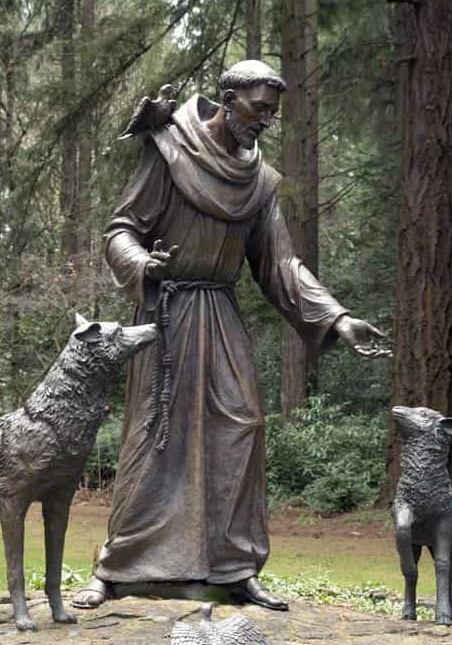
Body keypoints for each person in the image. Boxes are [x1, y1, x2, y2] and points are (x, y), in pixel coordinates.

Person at [72, 60, 389, 610]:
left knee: (243, 427)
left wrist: (336, 317)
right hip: (167, 316)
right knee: (154, 432)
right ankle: (116, 567)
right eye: (259, 106)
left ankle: (236, 567)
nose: (266, 119)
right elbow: (121, 228)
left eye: (273, 110)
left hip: (220, 315)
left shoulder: (260, 182)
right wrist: (143, 263)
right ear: (229, 98)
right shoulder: (169, 149)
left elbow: (280, 265)